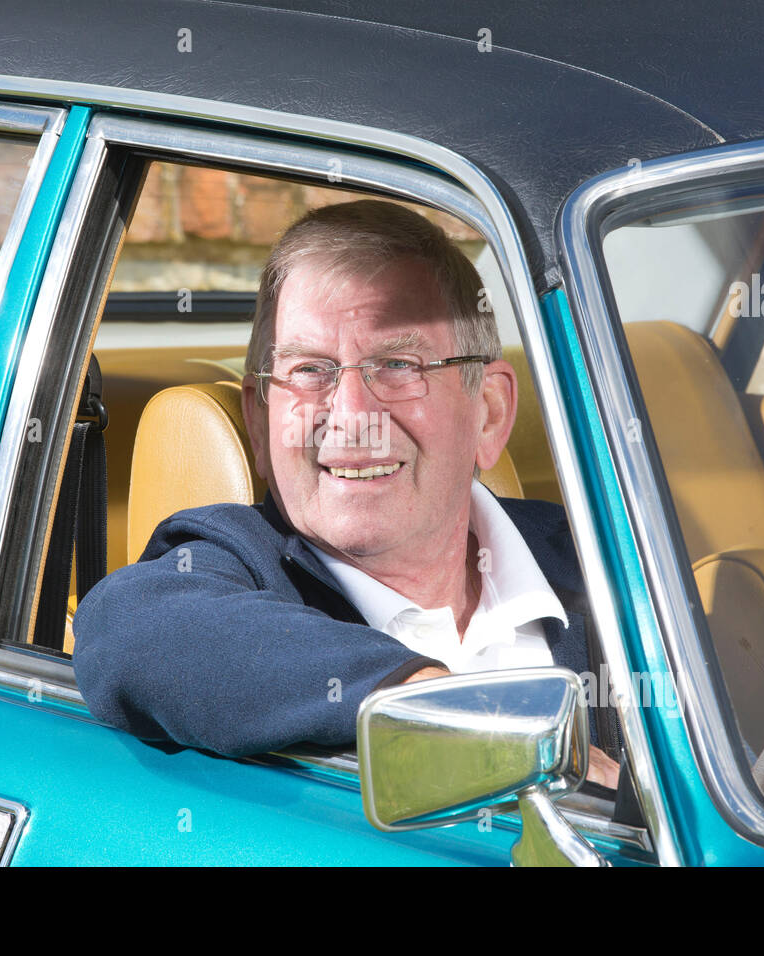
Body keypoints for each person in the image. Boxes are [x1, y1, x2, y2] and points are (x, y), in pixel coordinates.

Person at [73, 199, 619, 788]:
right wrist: (440, 703)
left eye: (398, 364)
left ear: (487, 415)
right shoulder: (240, 561)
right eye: (310, 369)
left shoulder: (601, 560)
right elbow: (130, 627)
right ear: (260, 425)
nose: (355, 417)